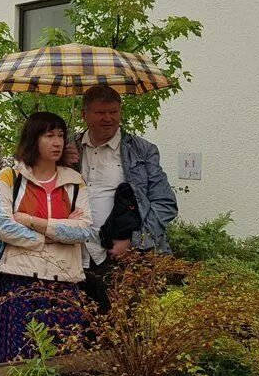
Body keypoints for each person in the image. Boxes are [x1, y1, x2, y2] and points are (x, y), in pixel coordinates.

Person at [0, 111, 92, 363]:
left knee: (62, 359)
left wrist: (35, 222)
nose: (57, 142)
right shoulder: (9, 178)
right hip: (20, 279)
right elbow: (3, 226)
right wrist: (50, 237)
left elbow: (83, 229)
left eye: (60, 135)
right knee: (17, 359)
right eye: (49, 135)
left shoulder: (74, 181)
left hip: (64, 280)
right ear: (33, 139)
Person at [63, 85, 179, 309]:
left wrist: (134, 242)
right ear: (84, 114)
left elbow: (166, 204)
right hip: (76, 255)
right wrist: (60, 163)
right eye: (100, 112)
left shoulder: (141, 150)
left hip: (123, 259)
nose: (108, 118)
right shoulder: (68, 147)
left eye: (114, 112)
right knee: (78, 333)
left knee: (125, 332)